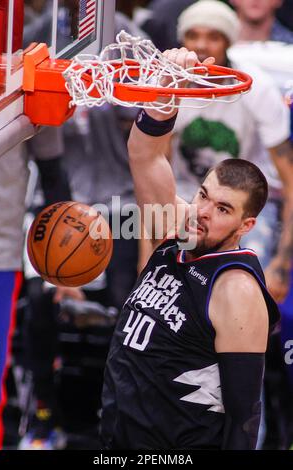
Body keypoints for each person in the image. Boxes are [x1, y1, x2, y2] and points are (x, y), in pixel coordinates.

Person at [100, 47, 280, 449]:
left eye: (222, 209)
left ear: (246, 225)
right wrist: (168, 89)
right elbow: (144, 155)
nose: (202, 213)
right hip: (119, 439)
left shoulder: (235, 288)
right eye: (203, 196)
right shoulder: (178, 231)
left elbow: (244, 416)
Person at [173, 0, 293, 306]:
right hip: (186, 197)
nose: (201, 45)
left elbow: (291, 182)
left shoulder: (258, 88)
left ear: (229, 41)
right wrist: (146, 256)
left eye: (213, 36)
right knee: (175, 292)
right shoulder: (171, 84)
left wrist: (282, 262)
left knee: (248, 292)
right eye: (193, 35)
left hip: (243, 203)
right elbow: (153, 164)